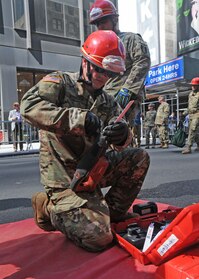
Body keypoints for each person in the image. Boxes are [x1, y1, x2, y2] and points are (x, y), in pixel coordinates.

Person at [20, 30, 150, 252]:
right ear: (85, 62)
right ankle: (49, 207)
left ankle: (110, 213)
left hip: (93, 172)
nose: (102, 77)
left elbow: (124, 138)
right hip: (64, 180)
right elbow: (28, 107)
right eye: (98, 69)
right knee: (98, 239)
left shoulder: (107, 101)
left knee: (139, 158)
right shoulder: (60, 83)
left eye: (108, 73)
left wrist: (122, 135)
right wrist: (77, 118)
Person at [89, 0, 151, 121]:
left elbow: (142, 62)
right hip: (104, 95)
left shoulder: (131, 39)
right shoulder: (100, 45)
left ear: (115, 20)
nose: (100, 27)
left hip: (124, 94)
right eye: (97, 24)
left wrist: (128, 89)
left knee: (119, 132)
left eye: (103, 22)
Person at [182, 77, 199, 154]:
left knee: (192, 130)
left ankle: (188, 147)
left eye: (195, 85)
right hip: (191, 115)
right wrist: (185, 113)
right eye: (192, 85)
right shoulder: (190, 94)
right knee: (193, 131)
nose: (193, 86)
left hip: (197, 114)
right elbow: (190, 106)